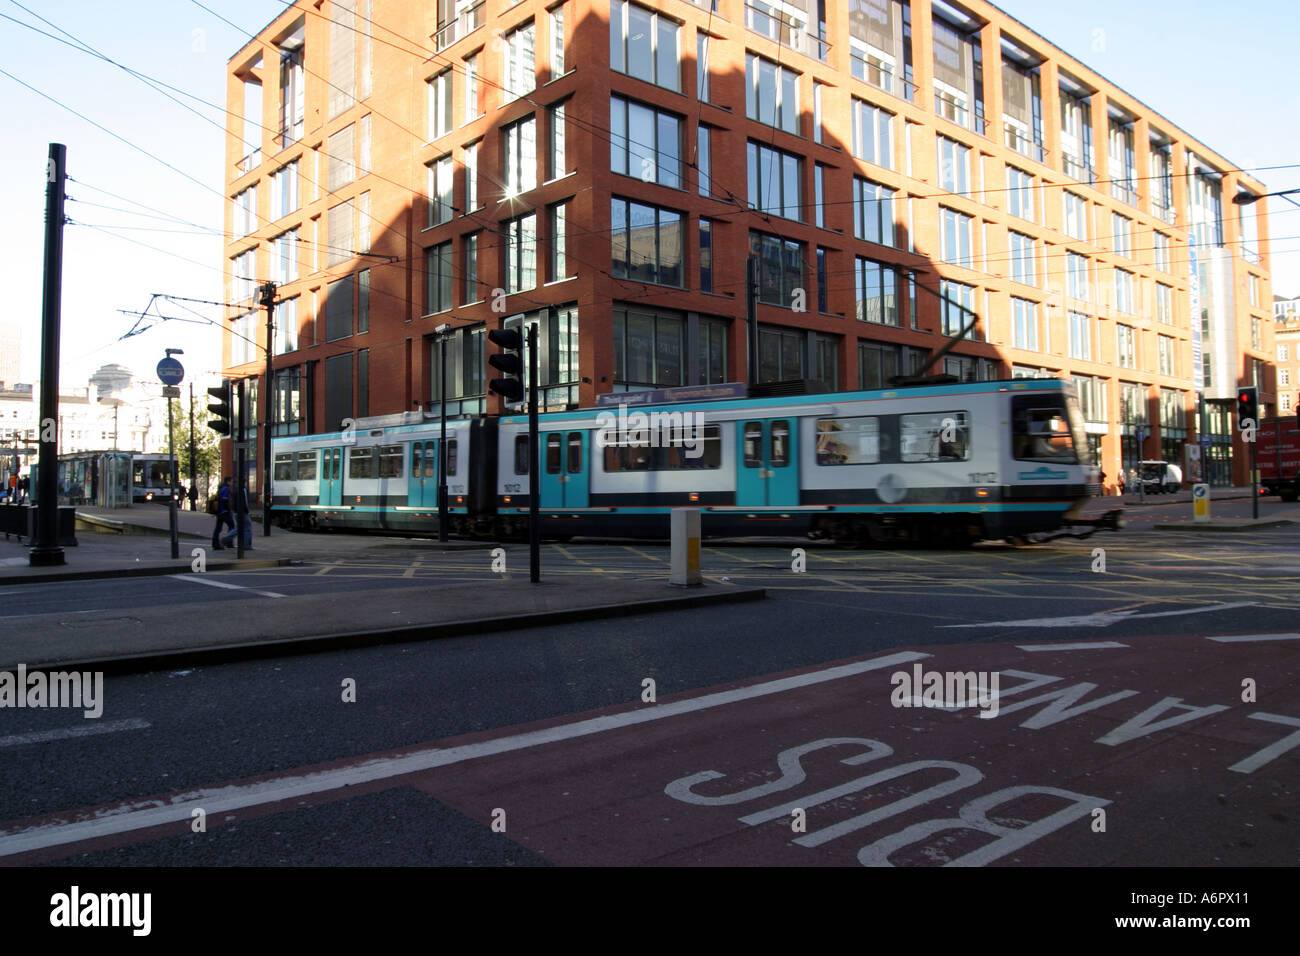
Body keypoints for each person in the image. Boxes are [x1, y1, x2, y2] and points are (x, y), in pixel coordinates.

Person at [221, 485, 253, 551]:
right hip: (241, 512)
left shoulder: (238, 490)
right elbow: (243, 502)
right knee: (246, 528)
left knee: (239, 528)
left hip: (238, 512)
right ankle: (246, 545)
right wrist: (245, 510)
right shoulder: (241, 491)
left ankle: (226, 539)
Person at [211, 476, 234, 550]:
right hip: (224, 511)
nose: (232, 483)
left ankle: (215, 544)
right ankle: (228, 542)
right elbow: (224, 500)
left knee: (218, 528)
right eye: (231, 481)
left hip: (219, 511)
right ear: (228, 482)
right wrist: (228, 510)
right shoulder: (226, 489)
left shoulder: (221, 489)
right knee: (232, 526)